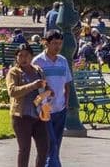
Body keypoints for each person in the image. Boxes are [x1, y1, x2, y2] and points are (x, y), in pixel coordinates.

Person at [32, 30, 72, 167]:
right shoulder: (38, 61)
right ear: (46, 43)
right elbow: (34, 86)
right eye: (54, 43)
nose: (57, 46)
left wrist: (66, 102)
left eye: (60, 43)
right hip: (45, 109)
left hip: (60, 108)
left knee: (56, 145)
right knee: (51, 143)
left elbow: (67, 83)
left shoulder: (63, 61)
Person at [6, 43, 50, 167]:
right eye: (20, 56)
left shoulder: (38, 70)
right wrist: (32, 86)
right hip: (22, 116)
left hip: (39, 115)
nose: (23, 58)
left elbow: (44, 86)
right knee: (25, 149)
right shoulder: (14, 72)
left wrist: (49, 92)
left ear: (32, 57)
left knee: (44, 147)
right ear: (16, 58)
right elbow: (13, 91)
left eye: (27, 55)